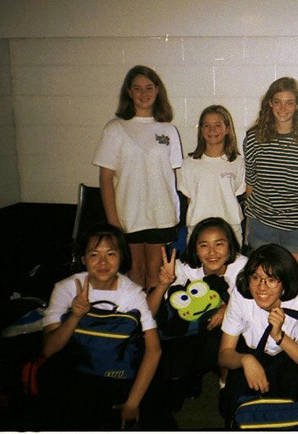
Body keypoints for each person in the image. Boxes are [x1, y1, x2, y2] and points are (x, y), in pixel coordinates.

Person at [40, 223, 172, 430]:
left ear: (121, 257)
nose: (103, 262)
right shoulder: (65, 288)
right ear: (83, 259)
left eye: (111, 254)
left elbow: (154, 350)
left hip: (119, 371)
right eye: (94, 255)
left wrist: (132, 403)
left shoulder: (133, 293)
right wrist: (74, 316)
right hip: (78, 371)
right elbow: (49, 350)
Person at [93, 65, 183, 289]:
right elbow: (105, 179)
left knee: (155, 273)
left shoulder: (168, 129)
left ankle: (151, 323)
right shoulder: (115, 128)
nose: (144, 93)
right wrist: (113, 221)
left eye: (149, 87)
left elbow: (170, 175)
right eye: (137, 88)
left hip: (161, 214)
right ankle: (132, 322)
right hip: (128, 215)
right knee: (135, 273)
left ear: (158, 90)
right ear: (129, 92)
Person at [146, 217, 247, 408]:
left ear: (230, 245)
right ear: (195, 248)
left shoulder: (243, 266)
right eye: (204, 246)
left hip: (226, 329)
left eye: (219, 244)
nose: (212, 253)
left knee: (230, 326)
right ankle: (190, 374)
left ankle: (225, 380)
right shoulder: (183, 266)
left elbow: (249, 303)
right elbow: (149, 314)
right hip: (190, 330)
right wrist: (162, 285)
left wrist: (226, 309)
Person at [218, 244, 298, 427]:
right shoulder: (241, 296)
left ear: (284, 282)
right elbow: (224, 354)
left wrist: (280, 336)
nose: (261, 287)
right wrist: (246, 360)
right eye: (255, 277)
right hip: (250, 351)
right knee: (236, 396)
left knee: (297, 387)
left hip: (288, 354)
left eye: (271, 280)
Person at [243, 77, 298, 269]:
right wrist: (250, 224)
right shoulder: (253, 139)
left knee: (293, 284)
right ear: (269, 103)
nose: (283, 108)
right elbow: (251, 183)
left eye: (289, 102)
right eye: (278, 102)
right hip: (262, 224)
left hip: (297, 226)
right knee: (264, 280)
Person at [178, 105, 245, 245]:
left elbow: (238, 192)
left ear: (227, 129)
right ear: (201, 130)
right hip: (198, 228)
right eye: (207, 125)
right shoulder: (189, 163)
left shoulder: (238, 162)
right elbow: (190, 199)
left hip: (231, 228)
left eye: (217, 125)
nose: (212, 130)